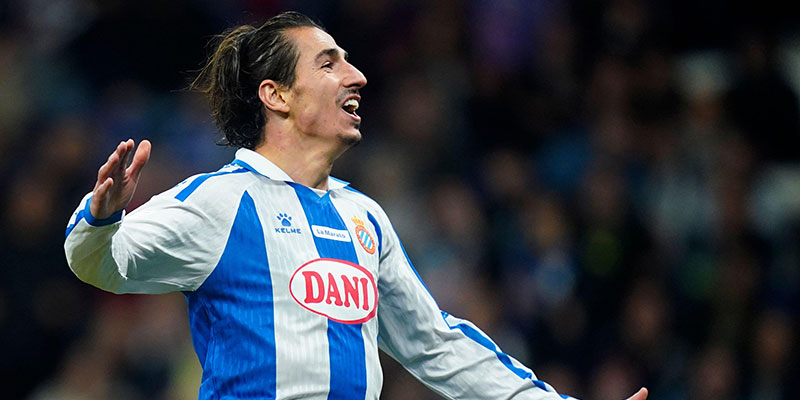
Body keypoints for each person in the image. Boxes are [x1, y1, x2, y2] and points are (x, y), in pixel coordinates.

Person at [64, 11, 648, 400]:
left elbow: (437, 345)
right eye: (329, 63)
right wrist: (101, 215)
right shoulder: (219, 201)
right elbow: (99, 263)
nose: (358, 76)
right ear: (276, 95)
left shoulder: (363, 218)